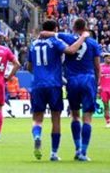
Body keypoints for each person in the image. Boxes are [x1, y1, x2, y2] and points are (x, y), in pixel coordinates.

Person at [42, 19, 100, 161]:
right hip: (88, 80)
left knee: (75, 116)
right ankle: (84, 153)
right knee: (87, 118)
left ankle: (77, 148)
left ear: (73, 27)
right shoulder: (93, 43)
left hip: (72, 81)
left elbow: (44, 33)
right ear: (86, 27)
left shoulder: (66, 37)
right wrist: (96, 84)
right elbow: (97, 66)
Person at [28, 20, 85, 161]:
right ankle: (54, 153)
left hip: (37, 85)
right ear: (55, 29)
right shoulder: (55, 41)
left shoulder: (33, 45)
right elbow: (71, 50)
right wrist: (83, 37)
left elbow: (29, 67)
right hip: (54, 84)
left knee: (37, 119)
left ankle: (37, 136)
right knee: (56, 120)